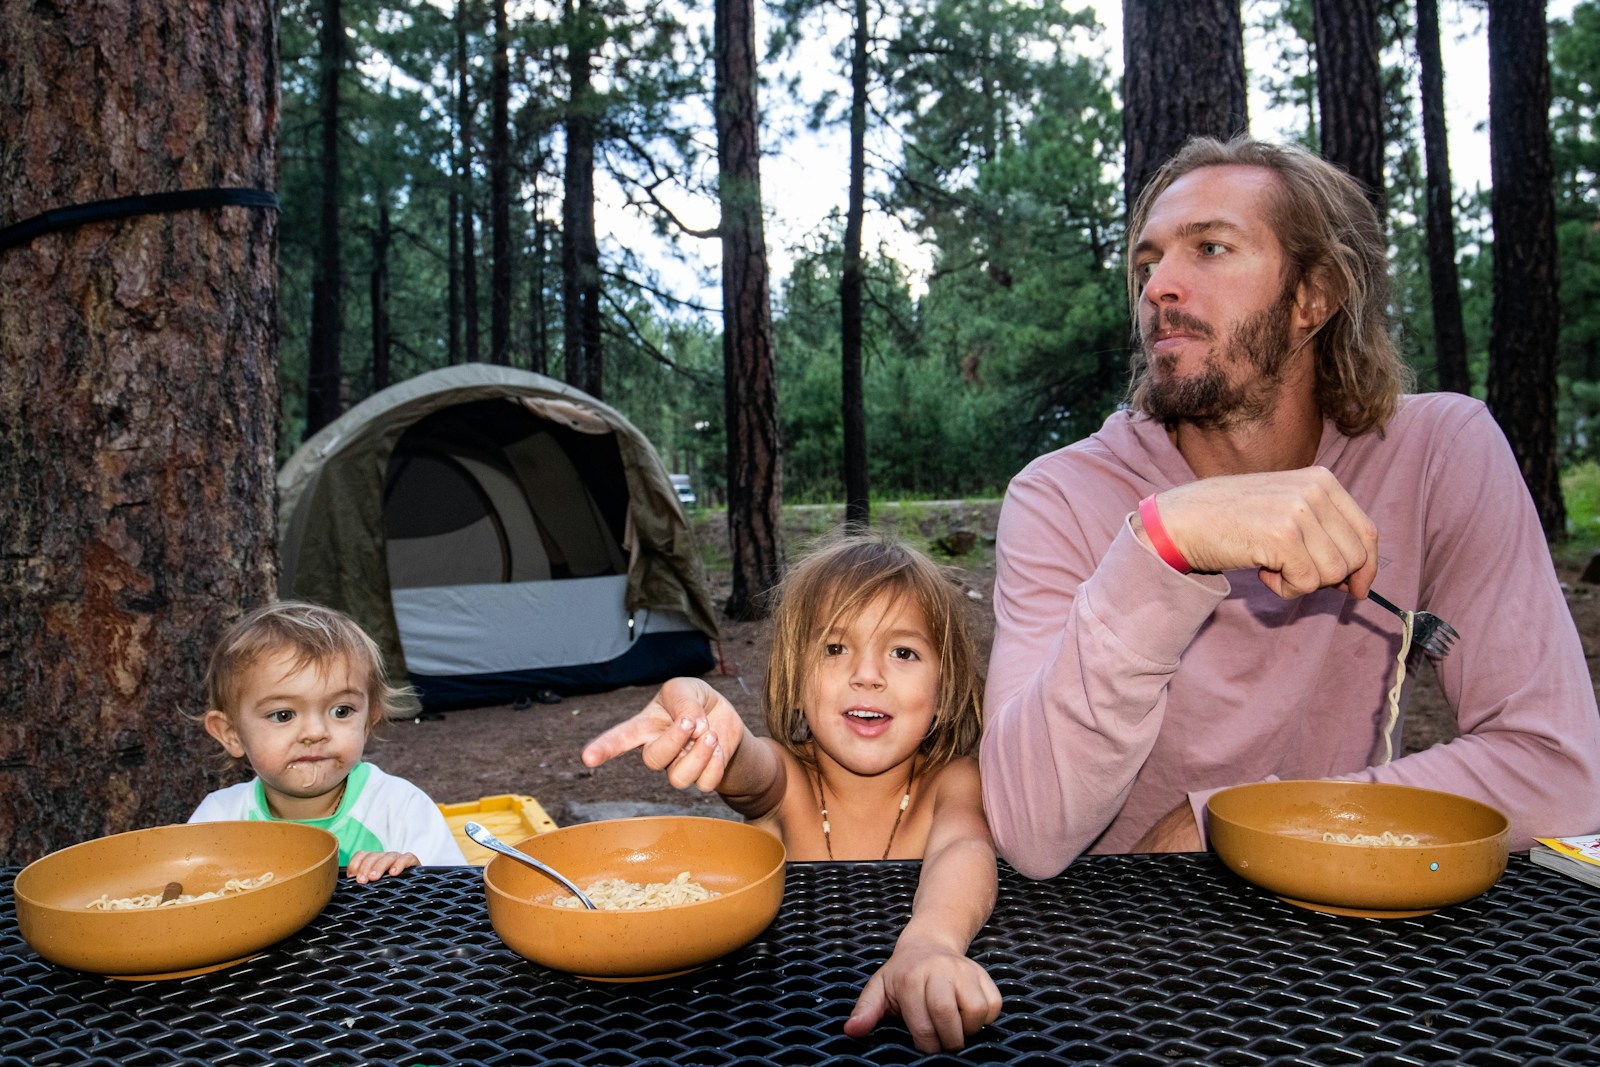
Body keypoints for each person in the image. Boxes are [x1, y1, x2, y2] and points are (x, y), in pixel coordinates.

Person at [980, 135, 1600, 879]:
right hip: (1119, 944)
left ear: (1313, 298)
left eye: (1209, 248)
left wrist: (1241, 819)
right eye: (1148, 263)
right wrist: (1164, 544)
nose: (1157, 287)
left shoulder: (1439, 452)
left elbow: (1561, 772)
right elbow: (1028, 828)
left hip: (1342, 927)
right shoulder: (1060, 494)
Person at [581, 532, 1001, 1053]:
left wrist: (932, 944)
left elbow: (967, 849)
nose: (867, 675)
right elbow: (751, 775)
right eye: (834, 647)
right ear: (797, 680)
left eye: (902, 651)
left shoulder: (953, 781)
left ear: (944, 690)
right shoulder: (787, 778)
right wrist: (721, 737)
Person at [191, 601, 467, 882]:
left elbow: (454, 897)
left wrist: (409, 877)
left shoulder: (399, 807)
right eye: (283, 715)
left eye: (341, 711)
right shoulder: (218, 821)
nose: (315, 732)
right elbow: (185, 900)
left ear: (369, 719)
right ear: (231, 734)